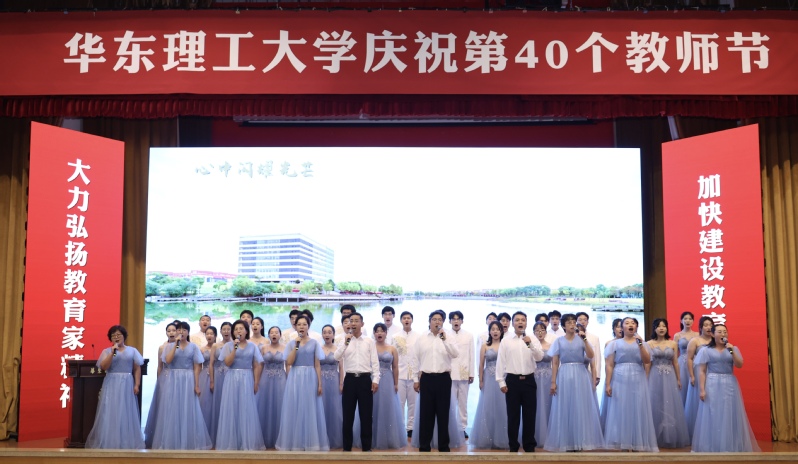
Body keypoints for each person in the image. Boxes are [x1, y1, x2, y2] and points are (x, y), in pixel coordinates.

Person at [692, 324, 760, 452]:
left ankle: (729, 445)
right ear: (713, 334)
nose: (723, 334)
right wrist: (702, 389)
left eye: (725, 331)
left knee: (729, 413)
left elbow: (739, 364)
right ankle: (712, 446)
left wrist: (732, 351)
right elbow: (702, 371)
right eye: (719, 331)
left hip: (729, 383)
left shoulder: (732, 348)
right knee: (713, 413)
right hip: (712, 383)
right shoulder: (705, 350)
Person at [544, 314, 604, 452]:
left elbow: (591, 355)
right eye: (569, 323)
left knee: (580, 407)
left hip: (580, 373)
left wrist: (585, 339)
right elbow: (555, 362)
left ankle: (581, 441)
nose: (572, 325)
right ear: (563, 326)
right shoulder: (558, 341)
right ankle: (567, 441)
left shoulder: (582, 339)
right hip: (564, 374)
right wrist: (553, 382)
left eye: (573, 322)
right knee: (565, 406)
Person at [151, 321, 212, 450]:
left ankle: (188, 441)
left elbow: (197, 367)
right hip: (172, 379)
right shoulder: (168, 347)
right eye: (179, 330)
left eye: (184, 330)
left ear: (188, 332)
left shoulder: (193, 347)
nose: (181, 332)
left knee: (188, 408)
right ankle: (171, 441)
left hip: (188, 378)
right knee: (172, 408)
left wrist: (197, 385)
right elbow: (167, 361)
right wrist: (175, 345)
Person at [85, 325, 145, 449]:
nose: (116, 337)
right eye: (113, 335)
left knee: (126, 411)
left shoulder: (132, 350)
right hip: (111, 382)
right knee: (110, 411)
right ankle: (110, 441)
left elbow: (137, 368)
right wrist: (112, 352)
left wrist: (137, 384)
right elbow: (104, 367)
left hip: (127, 382)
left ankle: (125, 442)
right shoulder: (107, 351)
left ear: (124, 336)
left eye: (119, 335)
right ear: (110, 338)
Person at [603, 317, 658, 452]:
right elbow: (609, 365)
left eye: (633, 323)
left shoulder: (642, 343)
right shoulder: (614, 344)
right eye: (627, 323)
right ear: (622, 327)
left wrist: (640, 345)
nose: (630, 325)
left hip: (637, 377)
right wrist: (608, 383)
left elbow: (647, 361)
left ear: (636, 327)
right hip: (619, 377)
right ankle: (624, 442)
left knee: (637, 408)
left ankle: (637, 442)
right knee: (621, 409)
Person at [275, 315, 329, 451]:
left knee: (310, 408)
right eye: (299, 324)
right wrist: (296, 346)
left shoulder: (315, 343)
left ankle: (310, 443)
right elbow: (289, 362)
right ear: (295, 327)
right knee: (295, 407)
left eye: (304, 324)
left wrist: (320, 384)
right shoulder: (291, 344)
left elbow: (317, 365)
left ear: (308, 326)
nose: (301, 327)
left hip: (310, 376)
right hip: (295, 377)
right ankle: (296, 443)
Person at [496, 311, 544, 453]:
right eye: (517, 320)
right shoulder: (506, 340)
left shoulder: (532, 339)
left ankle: (529, 446)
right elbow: (501, 361)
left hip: (529, 381)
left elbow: (539, 357)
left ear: (526, 323)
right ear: (513, 323)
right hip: (512, 381)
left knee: (530, 415)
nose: (520, 322)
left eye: (523, 320)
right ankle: (513, 446)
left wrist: (530, 344)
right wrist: (501, 382)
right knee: (513, 416)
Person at [413, 309, 460, 452]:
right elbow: (415, 360)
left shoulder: (448, 337)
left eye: (440, 319)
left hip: (443, 379)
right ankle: (424, 446)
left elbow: (455, 354)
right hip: (426, 378)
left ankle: (443, 446)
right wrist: (415, 379)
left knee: (443, 413)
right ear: (429, 321)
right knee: (426, 414)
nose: (437, 322)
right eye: (434, 319)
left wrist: (444, 340)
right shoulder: (421, 338)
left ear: (443, 322)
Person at [216, 319, 266, 450]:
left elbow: (256, 365)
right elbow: (227, 363)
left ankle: (246, 442)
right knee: (231, 408)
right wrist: (234, 348)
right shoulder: (228, 346)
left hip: (247, 377)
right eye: (236, 329)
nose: (239, 331)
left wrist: (256, 382)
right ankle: (231, 442)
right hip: (232, 378)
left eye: (241, 329)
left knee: (246, 408)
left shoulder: (252, 346)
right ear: (233, 332)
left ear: (246, 331)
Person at [335, 311, 380, 452]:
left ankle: (366, 448)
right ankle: (347, 448)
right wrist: (345, 343)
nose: (353, 323)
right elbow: (336, 357)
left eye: (356, 321)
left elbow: (375, 362)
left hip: (365, 380)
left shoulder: (369, 341)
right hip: (349, 380)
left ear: (362, 323)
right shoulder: (344, 340)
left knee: (366, 416)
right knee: (348, 415)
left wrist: (376, 379)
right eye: (351, 321)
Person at [356, 323, 405, 449]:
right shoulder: (369, 347)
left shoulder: (392, 349)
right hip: (372, 380)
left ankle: (388, 439)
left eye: (382, 331)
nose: (379, 333)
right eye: (377, 331)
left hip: (387, 380)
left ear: (386, 333)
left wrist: (396, 383)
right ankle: (369, 439)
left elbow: (395, 367)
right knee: (370, 408)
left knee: (387, 408)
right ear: (373, 333)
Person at [646, 318, 690, 448]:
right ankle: (653, 437)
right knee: (655, 403)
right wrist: (646, 379)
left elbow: (675, 362)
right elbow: (648, 364)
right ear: (654, 329)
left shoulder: (673, 344)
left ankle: (669, 436)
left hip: (670, 376)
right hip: (654, 375)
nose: (661, 328)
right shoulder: (649, 344)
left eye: (664, 326)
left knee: (670, 404)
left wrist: (678, 378)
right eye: (658, 326)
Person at [470, 321, 509, 449]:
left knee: (502, 407)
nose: (495, 331)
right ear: (489, 332)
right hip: (489, 378)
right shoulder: (485, 346)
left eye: (497, 329)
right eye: (493, 329)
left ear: (501, 331)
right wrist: (481, 380)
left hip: (503, 378)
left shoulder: (505, 345)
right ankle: (487, 438)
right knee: (487, 407)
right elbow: (481, 364)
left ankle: (502, 438)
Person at [144, 321, 177, 448]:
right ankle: (163, 437)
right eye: (169, 331)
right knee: (165, 407)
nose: (171, 333)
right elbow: (160, 366)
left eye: (173, 330)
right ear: (166, 333)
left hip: (178, 380)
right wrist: (159, 381)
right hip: (166, 378)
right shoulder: (162, 347)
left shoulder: (182, 346)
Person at [684, 316, 714, 437]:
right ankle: (698, 432)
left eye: (710, 325)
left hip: (712, 371)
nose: (708, 327)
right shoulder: (695, 341)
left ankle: (710, 430)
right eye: (705, 325)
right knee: (699, 399)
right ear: (701, 327)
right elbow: (689, 359)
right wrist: (691, 375)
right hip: (698, 371)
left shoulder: (715, 340)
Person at [258, 326, 287, 448]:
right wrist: (257, 381)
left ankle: (280, 438)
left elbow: (288, 365)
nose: (274, 334)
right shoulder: (263, 348)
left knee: (280, 406)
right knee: (265, 406)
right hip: (265, 379)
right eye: (271, 332)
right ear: (268, 335)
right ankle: (265, 438)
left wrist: (289, 379)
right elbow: (260, 365)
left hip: (281, 379)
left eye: (276, 332)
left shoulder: (285, 347)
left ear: (280, 335)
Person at [392, 310, 419, 438]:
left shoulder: (418, 336)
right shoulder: (395, 337)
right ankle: (400, 427)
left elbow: (420, 355)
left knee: (413, 403)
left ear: (412, 320)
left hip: (414, 375)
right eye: (404, 318)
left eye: (409, 318)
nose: (406, 320)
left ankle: (411, 428)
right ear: (401, 320)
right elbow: (392, 356)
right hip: (400, 374)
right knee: (400, 403)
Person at [448, 310, 474, 439]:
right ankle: (450, 427)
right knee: (450, 402)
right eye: (453, 319)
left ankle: (462, 428)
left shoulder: (469, 336)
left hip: (464, 373)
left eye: (458, 319)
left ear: (462, 321)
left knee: (463, 403)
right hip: (449, 373)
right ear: (450, 321)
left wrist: (471, 373)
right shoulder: (445, 335)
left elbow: (471, 355)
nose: (456, 321)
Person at [320, 324, 344, 449]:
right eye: (324, 332)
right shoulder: (318, 348)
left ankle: (335, 439)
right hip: (321, 381)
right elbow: (316, 367)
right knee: (321, 408)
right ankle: (321, 439)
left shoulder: (338, 349)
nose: (327, 334)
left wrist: (341, 383)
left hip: (334, 381)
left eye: (329, 332)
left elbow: (341, 367)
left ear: (334, 335)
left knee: (335, 409)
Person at [209, 321, 232, 444]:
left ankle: (230, 434)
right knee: (218, 403)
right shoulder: (215, 346)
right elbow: (211, 364)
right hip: (218, 376)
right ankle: (218, 434)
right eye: (224, 329)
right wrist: (212, 381)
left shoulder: (235, 345)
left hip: (231, 376)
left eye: (229, 329)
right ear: (221, 331)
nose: (226, 331)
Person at [599, 318, 623, 431]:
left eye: (622, 326)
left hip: (628, 376)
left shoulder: (634, 342)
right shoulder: (609, 343)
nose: (620, 329)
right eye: (618, 326)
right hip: (614, 376)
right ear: (614, 329)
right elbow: (607, 364)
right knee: (614, 403)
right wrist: (608, 382)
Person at [532, 322, 552, 448]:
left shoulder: (551, 345)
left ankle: (549, 436)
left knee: (547, 404)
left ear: (546, 331)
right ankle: (533, 435)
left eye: (542, 330)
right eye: (537, 330)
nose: (540, 332)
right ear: (533, 332)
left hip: (548, 378)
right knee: (534, 405)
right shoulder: (530, 345)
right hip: (534, 377)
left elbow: (556, 363)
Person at [672, 311, 697, 406]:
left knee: (694, 386)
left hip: (695, 363)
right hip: (682, 363)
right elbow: (674, 354)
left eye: (690, 319)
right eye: (685, 319)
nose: (688, 321)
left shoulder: (697, 335)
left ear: (693, 321)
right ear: (681, 321)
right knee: (682, 387)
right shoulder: (677, 335)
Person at [198, 325, 216, 435]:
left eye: (211, 334)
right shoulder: (201, 349)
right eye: (207, 334)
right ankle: (204, 431)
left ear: (215, 335)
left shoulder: (219, 348)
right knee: (205, 402)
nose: (209, 336)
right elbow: (198, 366)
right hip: (204, 376)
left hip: (217, 375)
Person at [576, 312, 601, 389]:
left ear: (588, 322)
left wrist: (597, 376)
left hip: (589, 371)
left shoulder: (594, 338)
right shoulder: (571, 337)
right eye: (580, 320)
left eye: (585, 320)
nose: (582, 322)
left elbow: (597, 357)